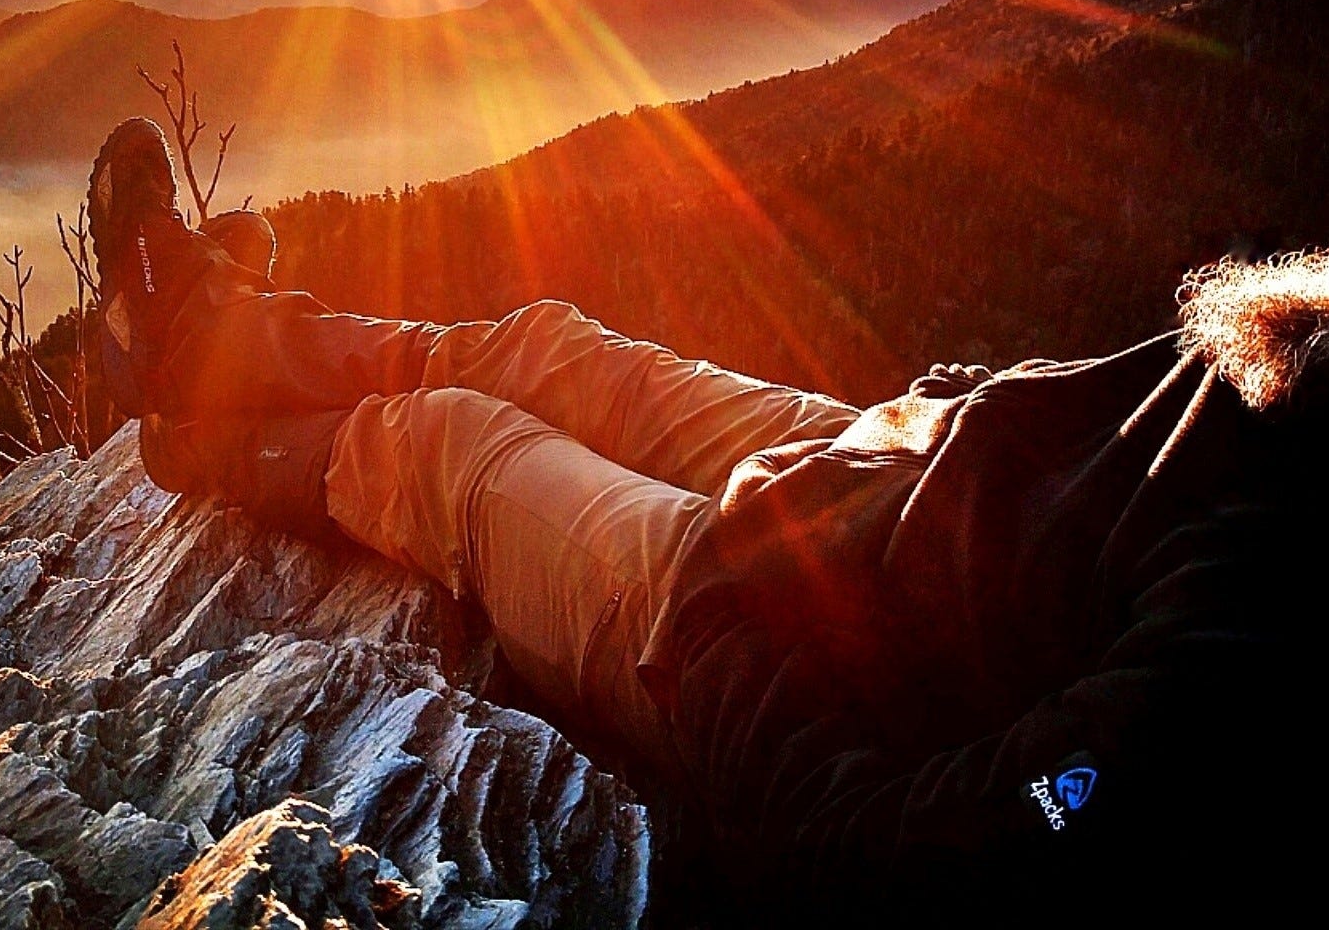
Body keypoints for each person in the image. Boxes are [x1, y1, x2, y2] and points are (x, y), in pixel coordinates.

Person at [87, 117, 1318, 916]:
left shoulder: (1232, 660)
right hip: (884, 460)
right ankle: (211, 336)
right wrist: (948, 411)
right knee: (544, 344)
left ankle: (197, 442)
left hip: (765, 615)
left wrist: (719, 634)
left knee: (450, 443)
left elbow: (881, 850)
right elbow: (1133, 446)